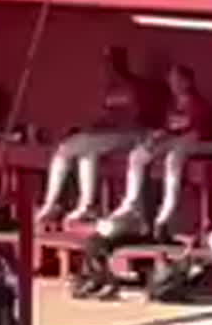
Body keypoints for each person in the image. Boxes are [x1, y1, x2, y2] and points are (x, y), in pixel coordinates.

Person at [108, 63, 212, 241]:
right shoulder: (172, 104)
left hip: (194, 147)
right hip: (173, 143)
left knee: (173, 158)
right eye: (171, 80)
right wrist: (155, 137)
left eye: (177, 80)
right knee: (137, 155)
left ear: (188, 82)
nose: (173, 84)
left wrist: (170, 141)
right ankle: (131, 202)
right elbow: (169, 128)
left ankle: (166, 213)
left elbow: (199, 133)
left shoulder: (198, 104)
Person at [36, 47, 148, 228]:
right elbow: (108, 117)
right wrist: (91, 127)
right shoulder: (111, 88)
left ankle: (50, 203)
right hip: (111, 135)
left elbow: (132, 118)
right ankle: (87, 205)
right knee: (87, 154)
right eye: (106, 63)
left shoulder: (131, 86)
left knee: (64, 149)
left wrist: (103, 127)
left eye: (110, 63)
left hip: (131, 135)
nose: (107, 68)